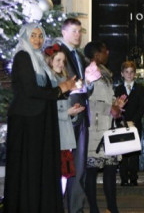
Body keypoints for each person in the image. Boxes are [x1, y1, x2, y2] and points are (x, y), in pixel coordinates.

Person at [4, 23, 76, 213]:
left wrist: (64, 89)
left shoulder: (40, 60)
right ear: (25, 37)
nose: (37, 40)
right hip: (27, 122)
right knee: (30, 168)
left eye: (40, 36)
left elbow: (47, 91)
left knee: (41, 168)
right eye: (33, 35)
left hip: (42, 120)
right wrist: (60, 89)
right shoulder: (22, 56)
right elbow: (31, 90)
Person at [83, 41, 125, 213]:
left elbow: (106, 98)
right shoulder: (88, 73)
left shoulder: (106, 73)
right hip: (95, 128)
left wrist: (117, 103)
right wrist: (109, 108)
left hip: (109, 127)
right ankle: (93, 208)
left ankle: (112, 208)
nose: (108, 53)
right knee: (91, 171)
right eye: (104, 51)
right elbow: (87, 102)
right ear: (96, 54)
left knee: (110, 169)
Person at [58, 18, 93, 213]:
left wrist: (90, 82)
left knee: (79, 169)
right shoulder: (57, 53)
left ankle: (76, 208)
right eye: (73, 31)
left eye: (79, 31)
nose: (77, 35)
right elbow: (58, 83)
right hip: (67, 115)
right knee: (64, 168)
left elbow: (84, 87)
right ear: (63, 32)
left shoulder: (79, 55)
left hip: (81, 116)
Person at [44, 44, 86, 184]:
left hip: (64, 134)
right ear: (49, 60)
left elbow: (62, 106)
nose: (62, 64)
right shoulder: (45, 81)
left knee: (63, 175)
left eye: (63, 61)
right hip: (52, 134)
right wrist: (66, 112)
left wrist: (72, 111)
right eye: (58, 60)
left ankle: (58, 204)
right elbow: (46, 108)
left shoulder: (63, 81)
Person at [114, 61, 144, 187]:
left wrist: (134, 120)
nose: (129, 74)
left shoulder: (139, 88)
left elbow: (142, 106)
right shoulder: (118, 89)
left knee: (134, 151)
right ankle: (123, 178)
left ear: (135, 74)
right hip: (122, 123)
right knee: (123, 151)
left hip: (135, 124)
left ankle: (133, 177)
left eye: (132, 72)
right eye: (126, 72)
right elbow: (116, 106)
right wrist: (122, 120)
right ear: (122, 74)